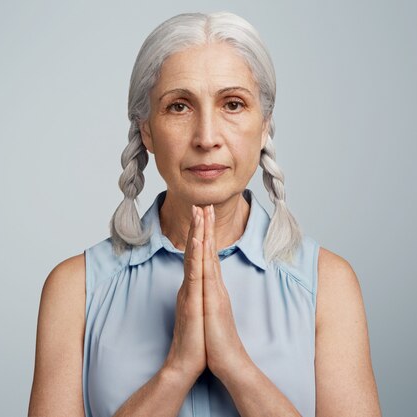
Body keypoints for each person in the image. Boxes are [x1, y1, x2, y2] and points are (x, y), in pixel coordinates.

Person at [28, 11, 381, 417]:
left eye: (233, 104)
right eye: (179, 106)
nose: (207, 137)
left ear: (264, 124)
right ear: (146, 130)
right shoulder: (76, 290)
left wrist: (235, 365)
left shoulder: (328, 286)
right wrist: (176, 370)